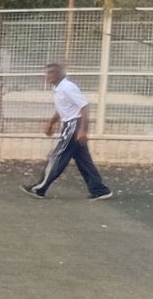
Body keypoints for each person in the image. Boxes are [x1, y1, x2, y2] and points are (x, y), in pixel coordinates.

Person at [21, 62, 113, 201]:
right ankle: (99, 190)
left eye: (51, 72)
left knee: (57, 156)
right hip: (71, 125)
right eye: (47, 72)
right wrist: (51, 124)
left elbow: (84, 107)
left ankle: (39, 189)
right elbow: (61, 110)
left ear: (59, 73)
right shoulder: (58, 89)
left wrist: (82, 130)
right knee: (83, 160)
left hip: (74, 125)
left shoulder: (67, 87)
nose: (47, 76)